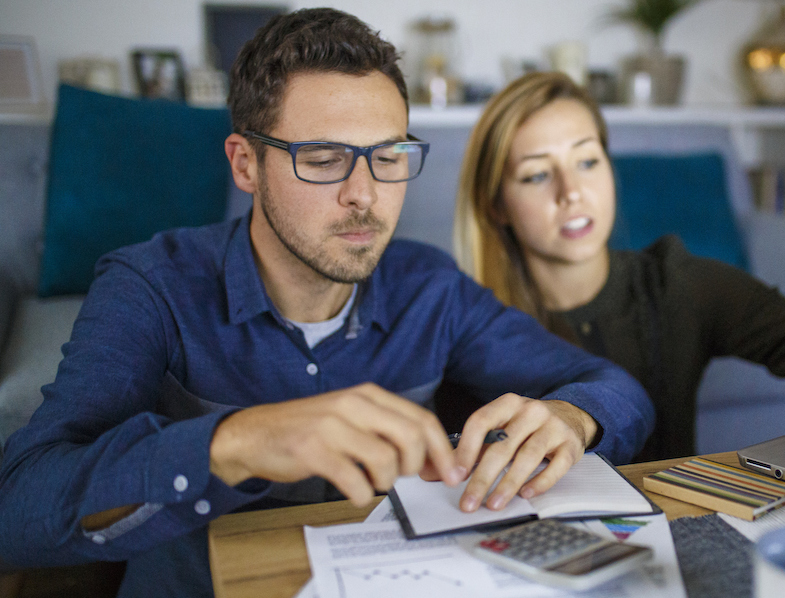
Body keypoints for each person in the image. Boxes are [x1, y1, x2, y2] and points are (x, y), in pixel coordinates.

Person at [0, 11, 652, 598]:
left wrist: (572, 417)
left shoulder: (431, 288)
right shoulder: (151, 287)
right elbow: (17, 506)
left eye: (389, 156)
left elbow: (615, 388)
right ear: (246, 164)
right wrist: (234, 443)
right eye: (323, 159)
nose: (365, 195)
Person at [451, 71, 785, 462]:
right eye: (535, 175)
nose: (572, 193)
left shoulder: (680, 284)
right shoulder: (466, 319)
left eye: (587, 161)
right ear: (496, 203)